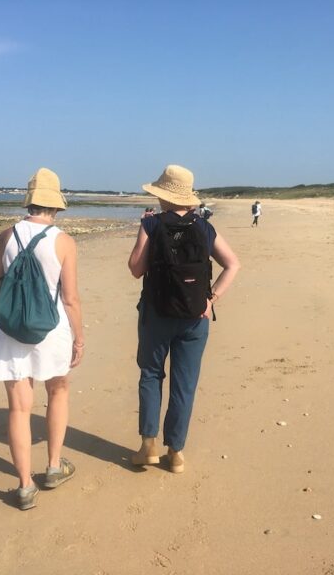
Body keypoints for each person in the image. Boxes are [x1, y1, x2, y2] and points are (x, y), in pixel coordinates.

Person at [128, 164, 240, 473]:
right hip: (195, 317)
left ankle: (148, 445)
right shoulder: (204, 228)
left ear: (162, 196)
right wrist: (210, 298)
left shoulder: (151, 224)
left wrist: (143, 229)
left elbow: (136, 268)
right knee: (184, 384)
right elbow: (232, 264)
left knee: (151, 375)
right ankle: (175, 452)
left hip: (155, 313)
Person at [0, 167, 84, 510]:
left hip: (11, 327)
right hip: (52, 328)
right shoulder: (64, 241)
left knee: (18, 407)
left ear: (30, 201)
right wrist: (79, 338)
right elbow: (70, 298)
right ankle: (54, 467)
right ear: (56, 205)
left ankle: (25, 486)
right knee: (57, 390)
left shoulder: (6, 236)